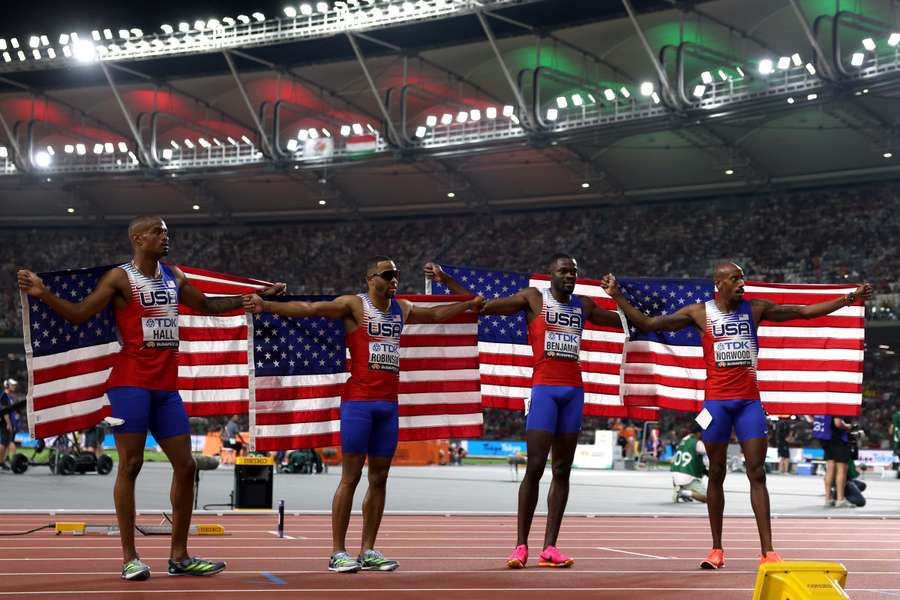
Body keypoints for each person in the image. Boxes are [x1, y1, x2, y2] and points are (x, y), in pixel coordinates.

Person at [17, 215, 286, 581]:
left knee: (187, 466)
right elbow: (80, 314)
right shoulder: (119, 277)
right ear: (137, 238)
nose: (165, 237)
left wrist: (251, 299)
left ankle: (180, 556)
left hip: (165, 388)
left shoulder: (173, 276)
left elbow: (207, 306)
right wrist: (43, 293)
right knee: (130, 465)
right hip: (130, 384)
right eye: (158, 232)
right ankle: (130, 557)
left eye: (166, 232)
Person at [602, 263, 871, 569]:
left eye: (742, 277)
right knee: (715, 472)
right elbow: (650, 324)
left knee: (757, 473)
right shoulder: (699, 313)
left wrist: (848, 299)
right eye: (735, 278)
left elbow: (804, 312)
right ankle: (716, 549)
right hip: (717, 404)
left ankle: (768, 551)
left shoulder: (754, 308)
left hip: (748, 404)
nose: (742, 283)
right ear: (719, 283)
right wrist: (617, 296)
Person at [243, 256, 483, 573]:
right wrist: (268, 307)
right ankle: (338, 551)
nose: (394, 280)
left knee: (380, 479)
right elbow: (311, 310)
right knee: (351, 477)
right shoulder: (355, 306)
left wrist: (466, 305)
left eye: (396, 275)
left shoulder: (404, 308)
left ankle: (368, 549)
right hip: (358, 404)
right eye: (387, 275)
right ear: (370, 278)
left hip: (388, 406)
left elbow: (437, 313)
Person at [426, 254, 624, 569]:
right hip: (544, 389)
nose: (570, 275)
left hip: (573, 391)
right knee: (534, 467)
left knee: (562, 470)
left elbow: (625, 322)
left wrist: (618, 296)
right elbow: (483, 305)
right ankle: (520, 545)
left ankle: (550, 547)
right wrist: (447, 280)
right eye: (564, 271)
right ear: (550, 276)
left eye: (573, 271)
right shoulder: (534, 298)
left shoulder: (584, 305)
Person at [814, 415, 855, 508]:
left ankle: (828, 499)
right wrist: (848, 426)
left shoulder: (824, 406)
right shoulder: (836, 405)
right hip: (838, 439)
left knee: (830, 468)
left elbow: (811, 419)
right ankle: (840, 500)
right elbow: (838, 423)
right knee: (842, 469)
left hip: (826, 439)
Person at [672, 424, 708, 503]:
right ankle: (682, 492)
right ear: (698, 433)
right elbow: (711, 453)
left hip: (675, 475)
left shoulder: (684, 440)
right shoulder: (698, 443)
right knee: (707, 498)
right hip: (687, 476)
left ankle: (681, 489)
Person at [0, 378, 20, 470]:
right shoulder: (4, 396)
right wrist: (8, 424)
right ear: (7, 386)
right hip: (4, 423)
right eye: (12, 385)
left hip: (9, 423)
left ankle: (2, 462)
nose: (14, 387)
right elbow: (5, 412)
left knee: (7, 443)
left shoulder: (9, 397)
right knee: (4, 444)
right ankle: (2, 462)